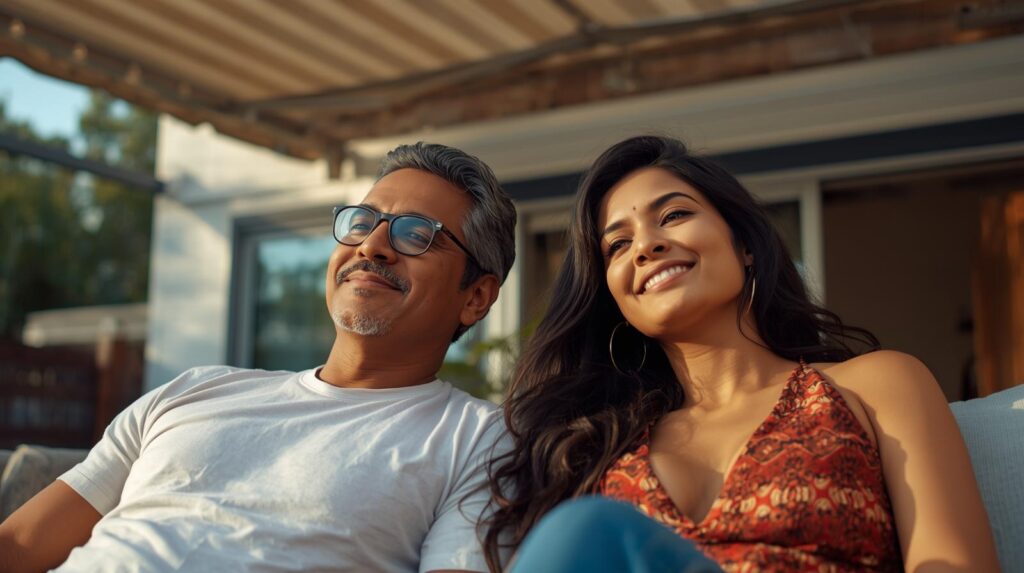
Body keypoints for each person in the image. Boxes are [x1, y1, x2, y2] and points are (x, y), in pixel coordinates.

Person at [484, 135, 1000, 572]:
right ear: (614, 299)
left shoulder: (876, 384)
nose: (645, 246)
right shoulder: (601, 445)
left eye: (675, 214)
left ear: (744, 244)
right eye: (617, 246)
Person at [0, 142, 517, 573]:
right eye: (363, 221)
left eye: (416, 233)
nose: (373, 245)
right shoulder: (195, 390)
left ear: (476, 297)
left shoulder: (479, 440)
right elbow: (20, 544)